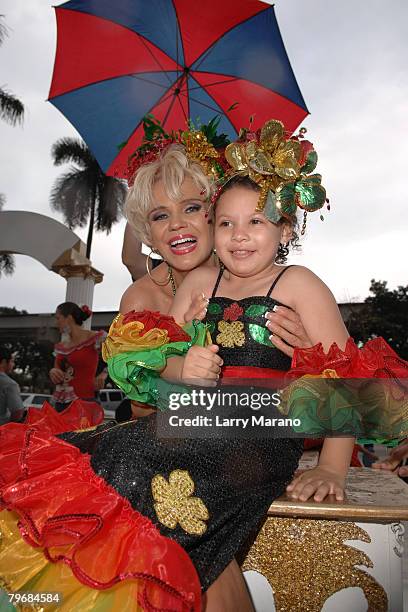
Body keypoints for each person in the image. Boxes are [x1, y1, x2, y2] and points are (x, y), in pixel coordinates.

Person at [50, 302, 107, 414]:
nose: (56, 323)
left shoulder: (95, 338)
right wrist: (53, 372)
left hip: (85, 402)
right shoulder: (61, 346)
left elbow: (117, 356)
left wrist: (104, 374)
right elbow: (57, 370)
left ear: (69, 318)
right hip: (61, 404)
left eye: (58, 318)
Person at [0, 347, 24, 425]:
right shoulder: (9, 384)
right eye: (12, 361)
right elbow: (18, 412)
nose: (13, 364)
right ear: (4, 362)